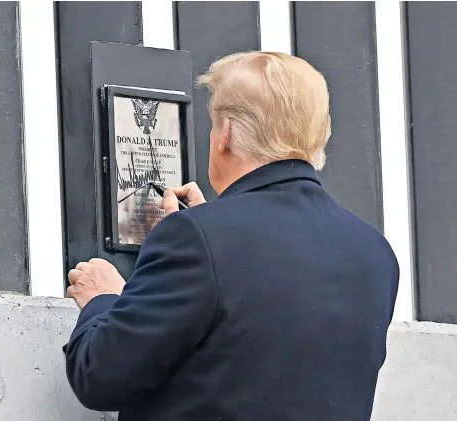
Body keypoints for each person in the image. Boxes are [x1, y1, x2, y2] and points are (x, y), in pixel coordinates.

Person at [64, 51, 399, 421]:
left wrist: (104, 300)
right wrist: (207, 236)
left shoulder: (200, 238)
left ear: (225, 135)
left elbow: (100, 375)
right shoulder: (375, 252)